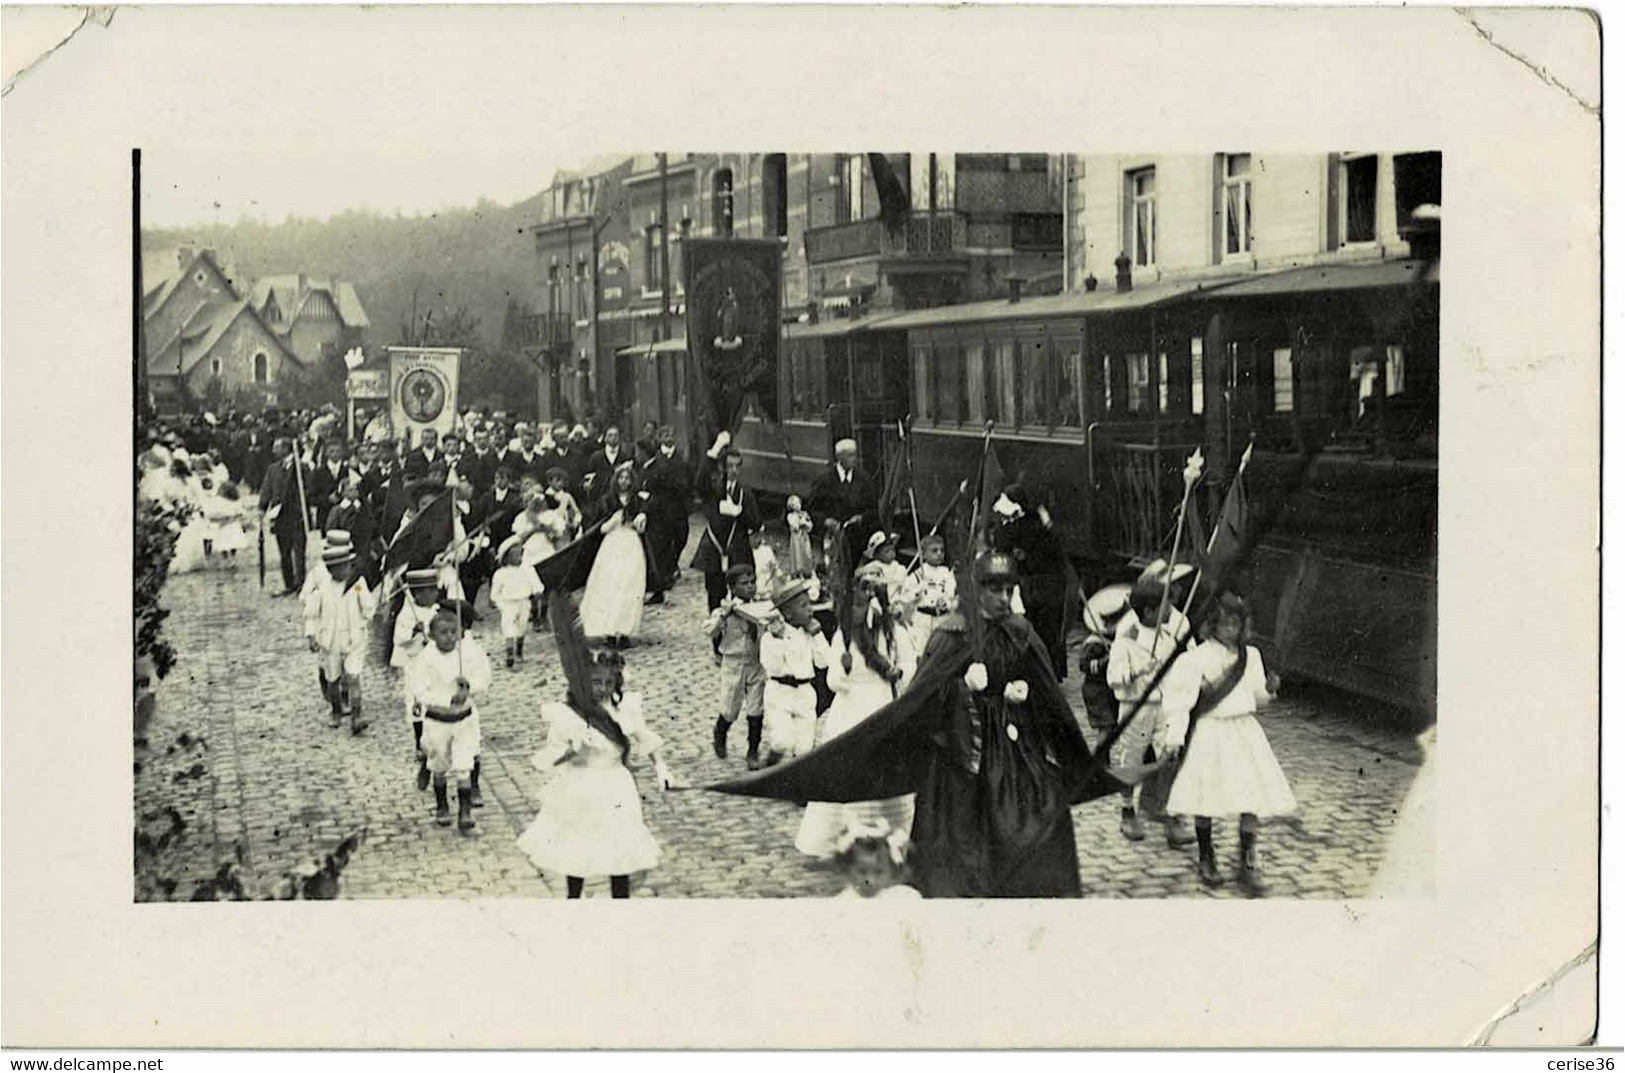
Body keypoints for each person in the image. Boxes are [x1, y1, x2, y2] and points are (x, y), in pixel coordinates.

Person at [1155, 591, 1295, 894]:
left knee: (1252, 795)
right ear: (1211, 624)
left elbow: (1259, 701)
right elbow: (1179, 704)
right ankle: (1207, 856)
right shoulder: (1194, 659)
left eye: (1236, 623)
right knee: (1205, 796)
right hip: (1210, 731)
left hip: (1244, 731)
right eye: (1225, 623)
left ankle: (1247, 860)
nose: (1231, 629)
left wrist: (1270, 691)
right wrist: (1175, 738)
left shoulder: (1252, 656)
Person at [518, 648, 673, 899]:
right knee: (577, 845)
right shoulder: (568, 714)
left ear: (617, 682)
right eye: (595, 682)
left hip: (615, 785)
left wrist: (661, 767)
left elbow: (643, 737)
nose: (602, 688)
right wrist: (575, 749)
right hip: (580, 785)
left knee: (619, 846)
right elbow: (553, 756)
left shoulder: (624, 710)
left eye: (608, 683)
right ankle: (574, 898)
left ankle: (620, 899)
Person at [796, 572, 917, 858]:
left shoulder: (894, 633)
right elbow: (833, 683)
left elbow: (910, 664)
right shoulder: (844, 635)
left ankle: (889, 835)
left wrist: (899, 674)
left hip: (883, 704)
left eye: (863, 606)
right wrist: (844, 670)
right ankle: (847, 836)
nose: (857, 612)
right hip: (851, 709)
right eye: (853, 606)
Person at [1107, 565, 1195, 847]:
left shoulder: (1178, 624)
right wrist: (1135, 672)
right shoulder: (1128, 632)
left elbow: (1192, 657)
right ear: (1147, 611)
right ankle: (1127, 810)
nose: (1171, 607)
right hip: (1136, 707)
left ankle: (1170, 815)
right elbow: (1113, 678)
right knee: (1130, 760)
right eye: (1164, 604)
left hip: (1168, 704)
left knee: (1170, 757)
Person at [407, 602, 493, 832]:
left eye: (454, 632)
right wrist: (447, 700)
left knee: (464, 765)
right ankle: (442, 805)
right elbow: (420, 691)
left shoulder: (467, 654)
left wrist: (470, 687)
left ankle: (465, 811)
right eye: (443, 633)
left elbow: (484, 677)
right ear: (432, 635)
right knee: (439, 766)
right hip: (438, 722)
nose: (450, 637)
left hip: (464, 720)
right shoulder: (426, 659)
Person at [989, 485, 1075, 680]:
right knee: (1047, 631)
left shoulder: (1009, 530)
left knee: (1035, 630)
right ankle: (1048, 673)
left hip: (1034, 588)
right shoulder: (1039, 525)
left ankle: (1037, 673)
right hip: (1048, 587)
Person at [301, 532, 378, 734]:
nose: (345, 570)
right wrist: (311, 636)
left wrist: (367, 613)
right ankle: (335, 710)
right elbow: (310, 614)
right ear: (330, 569)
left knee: (353, 676)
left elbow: (369, 608)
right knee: (333, 679)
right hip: (331, 640)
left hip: (354, 638)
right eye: (340, 567)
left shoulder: (358, 585)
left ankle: (357, 715)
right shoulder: (323, 589)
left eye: (347, 566)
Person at [578, 462, 654, 646]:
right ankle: (610, 630)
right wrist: (612, 521)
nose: (624, 481)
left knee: (629, 585)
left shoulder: (638, 500)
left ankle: (625, 630)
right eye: (621, 477)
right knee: (611, 585)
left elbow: (644, 526)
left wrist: (641, 519)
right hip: (613, 544)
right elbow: (600, 528)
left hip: (631, 543)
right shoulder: (607, 501)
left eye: (627, 478)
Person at [758, 578, 832, 766]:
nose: (810, 610)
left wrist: (818, 635)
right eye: (804, 605)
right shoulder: (770, 637)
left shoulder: (809, 633)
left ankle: (794, 787)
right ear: (788, 613)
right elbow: (771, 666)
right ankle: (772, 763)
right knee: (782, 741)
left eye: (810, 604)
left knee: (804, 750)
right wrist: (779, 639)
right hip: (779, 693)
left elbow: (824, 662)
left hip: (805, 693)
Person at [705, 564, 770, 765]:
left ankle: (753, 750)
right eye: (744, 584)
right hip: (733, 663)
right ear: (732, 588)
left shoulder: (761, 606)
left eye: (752, 582)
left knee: (756, 707)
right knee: (730, 706)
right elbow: (709, 631)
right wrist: (724, 616)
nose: (750, 587)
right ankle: (720, 731)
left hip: (756, 662)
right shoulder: (725, 609)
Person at [690, 433, 760, 611]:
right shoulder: (714, 490)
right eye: (730, 466)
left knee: (742, 598)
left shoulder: (745, 493)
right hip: (714, 551)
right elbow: (699, 482)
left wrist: (739, 512)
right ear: (722, 468)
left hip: (738, 551)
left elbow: (756, 523)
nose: (734, 471)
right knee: (715, 599)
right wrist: (713, 452)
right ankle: (718, 638)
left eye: (737, 466)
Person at [392, 568, 443, 791]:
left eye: (435, 588)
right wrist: (414, 631)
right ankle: (419, 743)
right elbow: (399, 639)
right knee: (416, 706)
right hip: (415, 666)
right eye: (430, 590)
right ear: (417, 594)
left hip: (433, 666)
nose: (435, 594)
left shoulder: (437, 611)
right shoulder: (406, 614)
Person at [807, 438, 878, 573]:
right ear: (839, 457)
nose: (855, 459)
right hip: (833, 540)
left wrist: (861, 517)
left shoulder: (864, 479)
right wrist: (825, 521)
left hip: (858, 538)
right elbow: (812, 509)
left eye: (855, 454)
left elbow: (873, 508)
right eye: (850, 455)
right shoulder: (824, 480)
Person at [491, 534, 545, 668]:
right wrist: (500, 604)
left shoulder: (528, 570)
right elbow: (495, 593)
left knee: (522, 627)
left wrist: (538, 590)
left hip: (524, 602)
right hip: (508, 603)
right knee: (509, 628)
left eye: (520, 554)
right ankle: (510, 653)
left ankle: (519, 651)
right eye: (515, 555)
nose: (519, 558)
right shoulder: (501, 573)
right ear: (507, 557)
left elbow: (537, 584)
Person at [831, 821, 921, 900]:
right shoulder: (843, 902)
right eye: (862, 871)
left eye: (879, 872)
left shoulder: (902, 898)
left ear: (893, 871)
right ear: (846, 869)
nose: (870, 880)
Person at [909, 533, 957, 653]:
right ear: (924, 554)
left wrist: (946, 602)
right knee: (922, 648)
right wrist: (918, 592)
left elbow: (950, 592)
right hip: (923, 617)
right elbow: (907, 594)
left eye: (942, 550)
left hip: (941, 616)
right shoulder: (919, 574)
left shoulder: (946, 573)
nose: (939, 554)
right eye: (934, 551)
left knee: (941, 648)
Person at [580, 424, 627, 498]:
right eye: (610, 435)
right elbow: (588, 476)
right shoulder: (596, 457)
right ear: (605, 438)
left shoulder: (625, 456)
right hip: (600, 497)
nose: (613, 438)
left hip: (620, 496)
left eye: (616, 435)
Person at [785, 494, 815, 579]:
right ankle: (799, 573)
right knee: (798, 555)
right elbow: (795, 526)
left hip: (804, 537)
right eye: (795, 504)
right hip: (796, 539)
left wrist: (806, 523)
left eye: (799, 503)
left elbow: (810, 525)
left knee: (807, 553)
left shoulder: (804, 514)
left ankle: (808, 571)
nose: (798, 505)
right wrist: (801, 522)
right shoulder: (790, 516)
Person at [749, 527, 780, 598]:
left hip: (768, 591)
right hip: (752, 594)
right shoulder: (744, 553)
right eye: (752, 536)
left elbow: (776, 569)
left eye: (757, 535)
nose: (755, 538)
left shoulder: (767, 550)